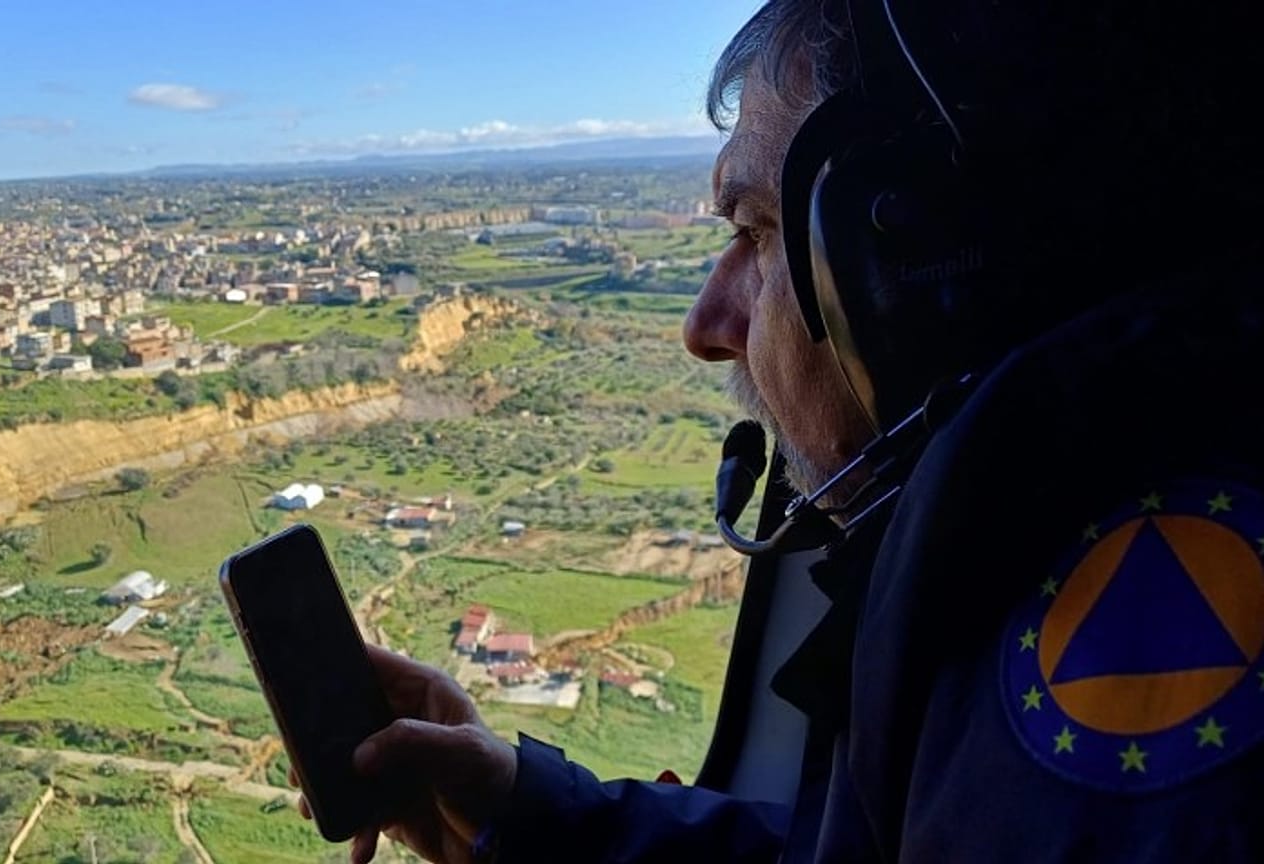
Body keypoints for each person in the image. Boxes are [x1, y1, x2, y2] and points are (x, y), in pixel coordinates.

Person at [310, 0, 1264, 860]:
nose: (706, 324)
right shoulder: (1011, 581)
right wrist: (530, 816)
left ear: (922, 273)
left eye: (760, 234)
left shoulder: (1113, 694)